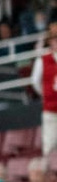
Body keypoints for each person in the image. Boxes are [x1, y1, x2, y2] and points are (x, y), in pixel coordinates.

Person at [29, 22, 57, 157]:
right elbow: (35, 82)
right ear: (50, 41)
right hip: (51, 109)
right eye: (54, 38)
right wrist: (46, 94)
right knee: (50, 145)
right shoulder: (42, 60)